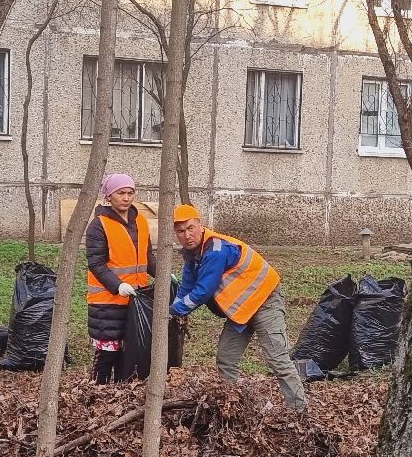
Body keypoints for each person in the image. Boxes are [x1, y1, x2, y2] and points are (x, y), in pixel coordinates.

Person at [170, 204, 308, 412]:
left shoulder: (216, 249)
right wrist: (174, 306)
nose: (187, 235)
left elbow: (203, 291)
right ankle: (229, 409)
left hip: (264, 301)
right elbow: (187, 287)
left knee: (278, 359)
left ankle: (300, 412)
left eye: (190, 228)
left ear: (200, 224)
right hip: (241, 310)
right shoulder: (191, 255)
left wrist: (173, 311)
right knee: (226, 358)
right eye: (181, 231)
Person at [86, 173, 153, 383]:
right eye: (120, 193)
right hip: (108, 302)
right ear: (109, 196)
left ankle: (121, 394)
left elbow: (147, 257)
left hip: (136, 299)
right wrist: (118, 285)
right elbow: (97, 264)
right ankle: (97, 391)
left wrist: (164, 273)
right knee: (107, 353)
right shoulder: (99, 225)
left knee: (130, 352)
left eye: (130, 193)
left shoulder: (140, 222)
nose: (126, 198)